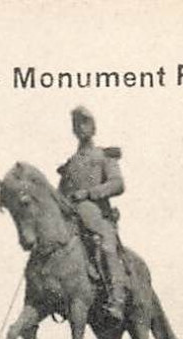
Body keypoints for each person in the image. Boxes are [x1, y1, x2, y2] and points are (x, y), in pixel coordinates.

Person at [56, 105, 127, 320]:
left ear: (93, 127)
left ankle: (117, 298)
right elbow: (59, 194)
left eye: (84, 123)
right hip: (71, 217)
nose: (80, 127)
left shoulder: (104, 156)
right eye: (76, 124)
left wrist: (89, 193)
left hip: (97, 215)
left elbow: (117, 184)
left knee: (106, 245)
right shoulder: (70, 165)